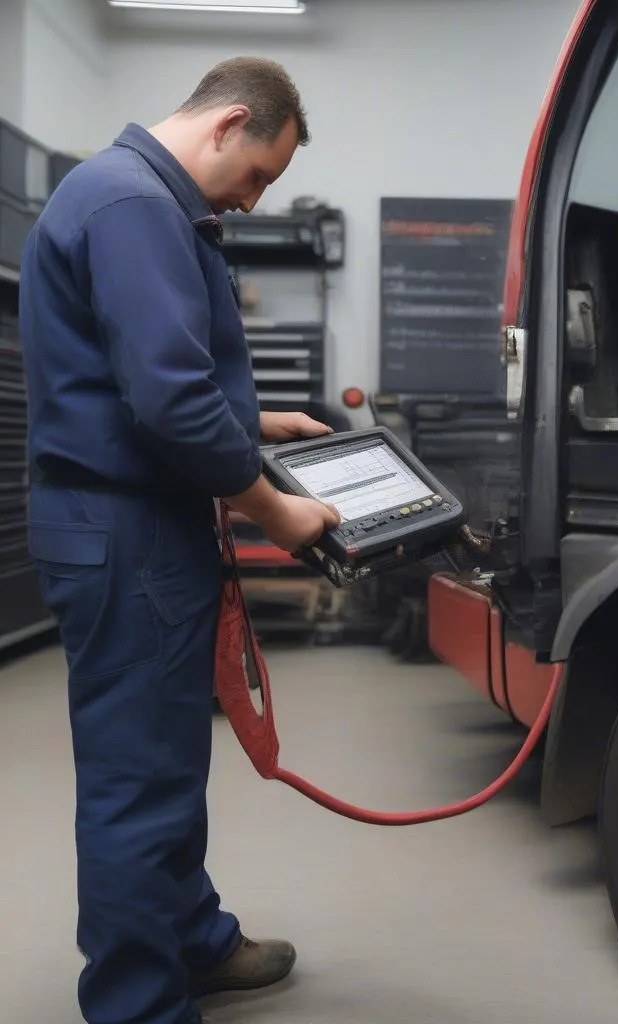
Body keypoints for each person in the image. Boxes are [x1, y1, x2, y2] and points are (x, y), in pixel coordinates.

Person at [19, 58, 340, 1024]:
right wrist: (275, 510)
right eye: (257, 177)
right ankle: (136, 1004)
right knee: (137, 779)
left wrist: (256, 420)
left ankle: (190, 938)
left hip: (132, 521)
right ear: (230, 122)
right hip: (128, 531)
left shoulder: (131, 196)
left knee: (164, 763)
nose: (251, 201)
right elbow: (165, 397)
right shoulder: (133, 206)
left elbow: (143, 377)